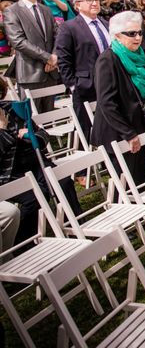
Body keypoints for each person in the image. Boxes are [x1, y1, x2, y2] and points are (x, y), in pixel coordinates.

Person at [0, 75, 81, 244]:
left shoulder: (13, 109)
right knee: (35, 198)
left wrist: (31, 135)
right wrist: (7, 132)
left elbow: (42, 134)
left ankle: (76, 226)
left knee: (64, 182)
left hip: (36, 161)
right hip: (9, 172)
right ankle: (22, 242)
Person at [91, 11, 145, 185]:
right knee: (125, 185)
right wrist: (128, 133)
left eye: (139, 32)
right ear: (117, 35)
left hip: (138, 126)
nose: (138, 37)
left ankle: (142, 212)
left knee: (139, 181)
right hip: (117, 132)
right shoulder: (107, 60)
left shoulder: (140, 56)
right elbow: (106, 103)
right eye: (131, 33)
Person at [55, 0, 110, 141]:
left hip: (109, 85)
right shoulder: (69, 27)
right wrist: (73, 86)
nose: (95, 3)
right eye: (89, 0)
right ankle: (87, 164)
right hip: (86, 87)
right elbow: (63, 60)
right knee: (86, 132)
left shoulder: (106, 24)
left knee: (107, 129)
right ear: (77, 5)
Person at [3, 0, 59, 113]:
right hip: (30, 73)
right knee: (31, 122)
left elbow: (57, 35)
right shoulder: (12, 11)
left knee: (50, 119)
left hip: (50, 72)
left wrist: (55, 56)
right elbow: (18, 41)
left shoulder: (45, 10)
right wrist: (48, 58)